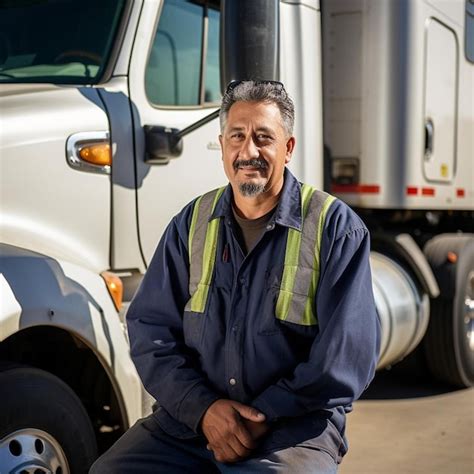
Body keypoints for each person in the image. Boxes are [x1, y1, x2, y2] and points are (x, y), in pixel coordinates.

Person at [90, 80, 380, 473]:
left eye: (264, 138)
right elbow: (150, 329)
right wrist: (204, 409)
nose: (249, 151)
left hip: (293, 429)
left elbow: (344, 361)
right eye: (237, 136)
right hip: (191, 423)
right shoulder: (190, 223)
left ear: (288, 148)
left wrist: (256, 417)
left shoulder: (335, 228)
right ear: (222, 145)